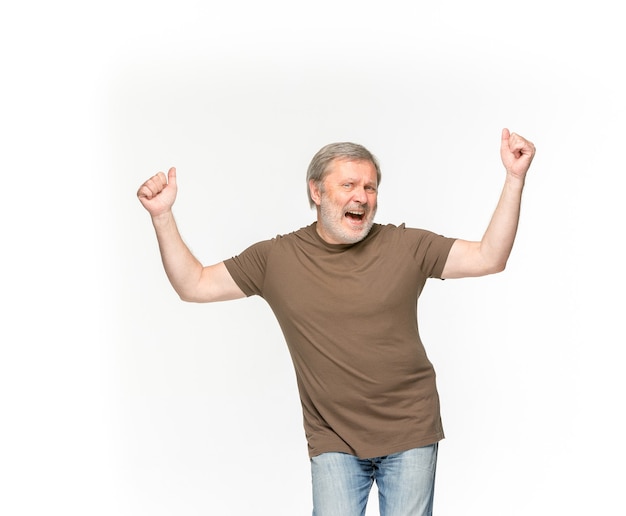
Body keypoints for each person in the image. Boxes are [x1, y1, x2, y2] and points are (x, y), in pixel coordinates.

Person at [137, 128, 535, 516]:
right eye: (348, 185)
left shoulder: (407, 246)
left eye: (370, 187)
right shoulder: (276, 259)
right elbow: (194, 284)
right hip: (333, 438)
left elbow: (489, 257)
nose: (361, 197)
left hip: (410, 428)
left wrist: (514, 178)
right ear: (316, 191)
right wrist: (162, 216)